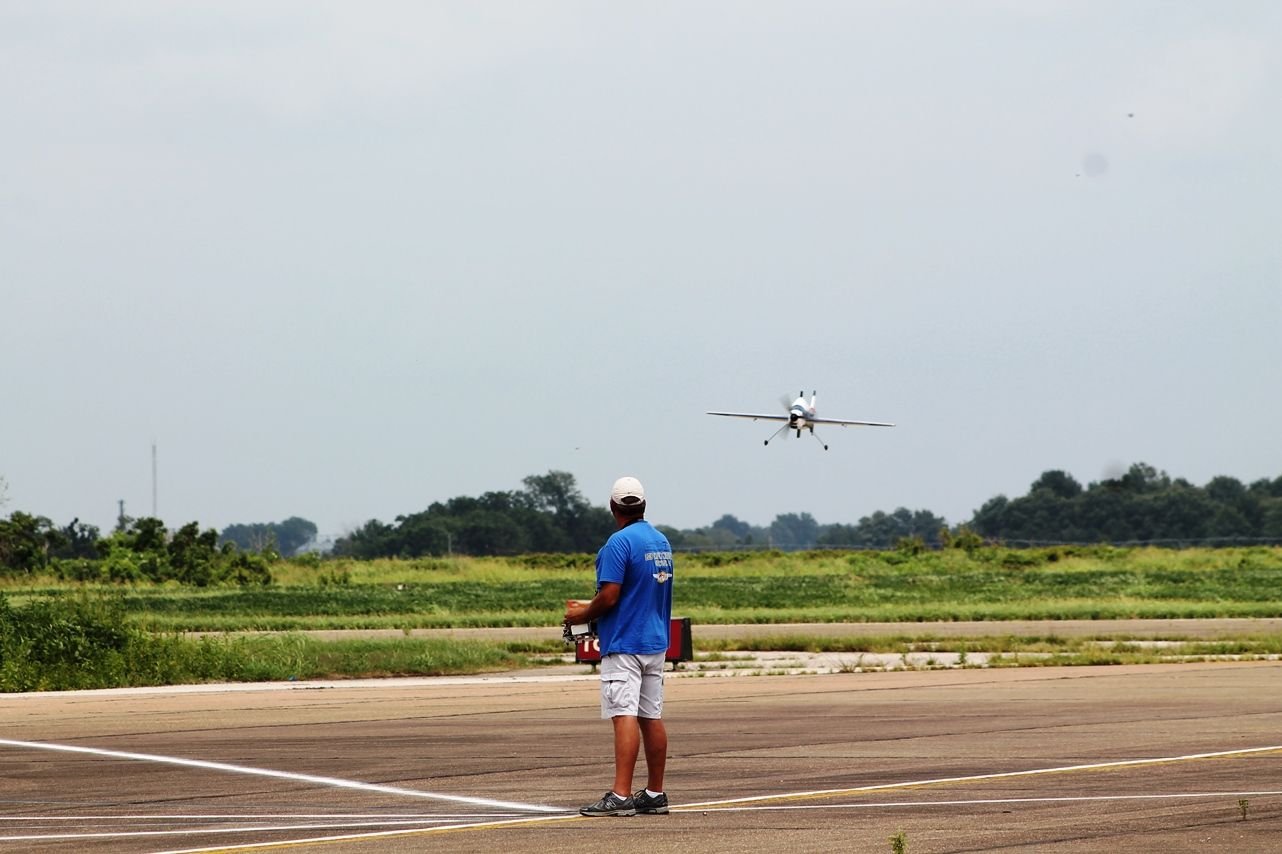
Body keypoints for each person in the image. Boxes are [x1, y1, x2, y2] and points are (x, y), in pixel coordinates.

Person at [564, 476, 674, 817]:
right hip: (655, 641)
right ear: (643, 505)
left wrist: (582, 613)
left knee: (623, 713)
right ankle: (654, 793)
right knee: (650, 716)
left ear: (613, 507)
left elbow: (610, 596)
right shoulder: (661, 541)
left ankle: (621, 795)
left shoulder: (617, 543)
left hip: (625, 642)